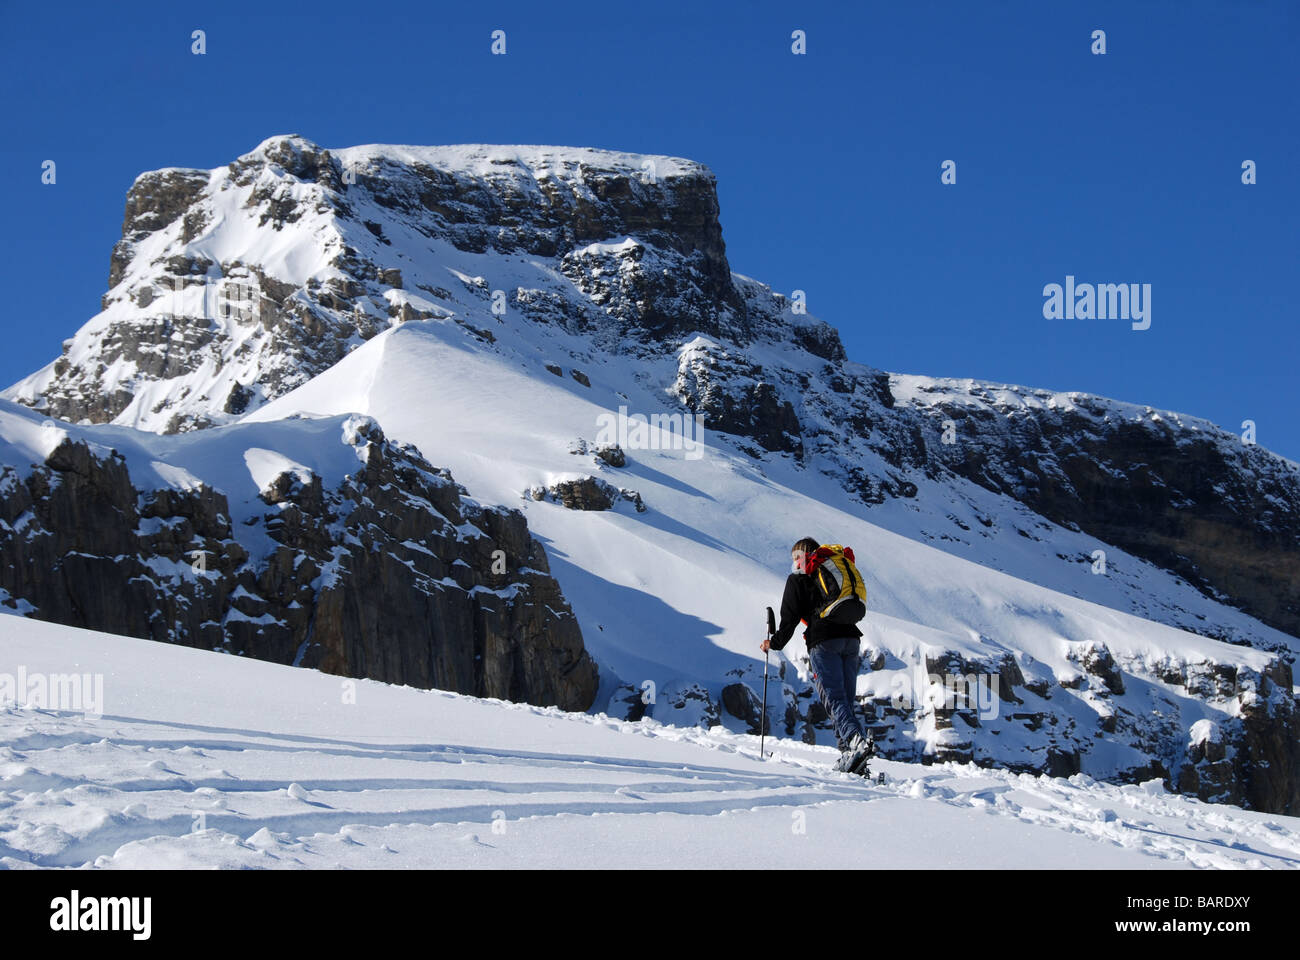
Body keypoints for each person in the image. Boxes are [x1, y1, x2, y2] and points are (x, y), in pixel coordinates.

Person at [761, 536, 874, 774]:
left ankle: (854, 741)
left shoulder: (796, 581)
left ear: (805, 556)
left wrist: (773, 643)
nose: (794, 564)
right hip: (851, 639)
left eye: (796, 558)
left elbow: (789, 620)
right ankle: (852, 758)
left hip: (824, 640)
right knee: (845, 700)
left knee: (833, 698)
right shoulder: (831, 572)